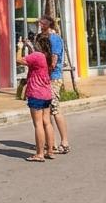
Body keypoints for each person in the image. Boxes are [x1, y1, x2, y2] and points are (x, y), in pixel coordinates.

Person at [22, 32, 57, 162]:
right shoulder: (47, 57)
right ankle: (50, 150)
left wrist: (20, 47)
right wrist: (30, 47)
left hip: (36, 93)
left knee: (38, 125)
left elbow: (19, 60)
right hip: (46, 93)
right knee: (47, 122)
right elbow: (35, 59)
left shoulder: (36, 56)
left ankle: (39, 154)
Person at [39, 15, 70, 154]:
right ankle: (52, 143)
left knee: (55, 108)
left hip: (54, 77)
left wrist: (47, 68)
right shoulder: (45, 38)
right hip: (47, 78)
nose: (40, 24)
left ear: (49, 24)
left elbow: (54, 59)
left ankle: (64, 142)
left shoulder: (55, 38)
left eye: (42, 22)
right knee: (48, 110)